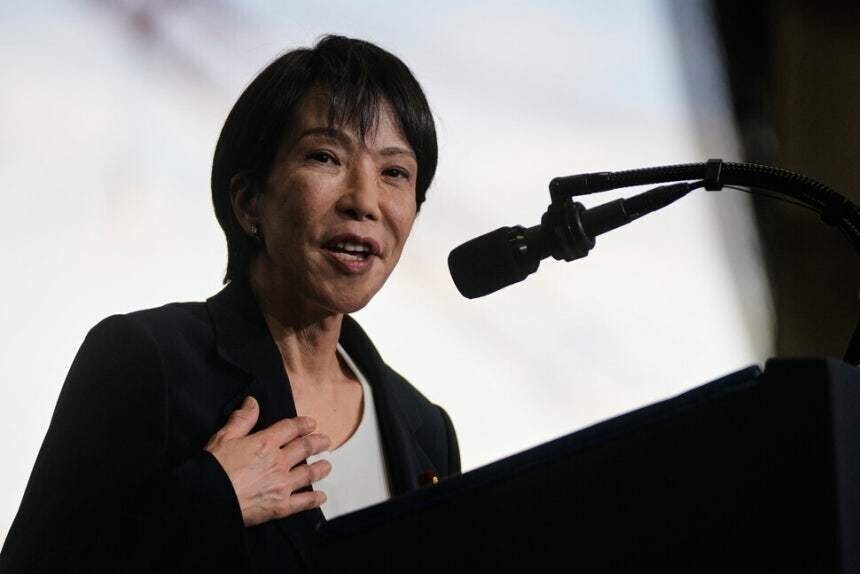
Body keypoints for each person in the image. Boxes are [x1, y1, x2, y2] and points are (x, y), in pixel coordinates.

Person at [0, 35, 460, 573]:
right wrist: (209, 500)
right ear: (248, 202)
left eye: (395, 172)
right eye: (326, 157)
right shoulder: (148, 362)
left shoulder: (425, 430)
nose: (365, 201)